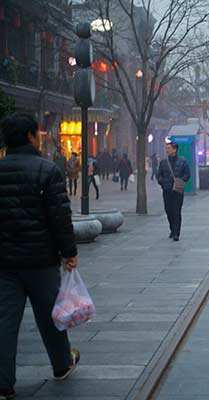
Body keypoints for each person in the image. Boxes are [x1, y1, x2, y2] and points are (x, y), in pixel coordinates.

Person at [0, 113, 81, 400]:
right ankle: (61, 365)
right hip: (41, 261)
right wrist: (69, 253)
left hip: (5, 264)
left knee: (5, 321)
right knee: (51, 317)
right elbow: (60, 217)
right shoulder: (47, 170)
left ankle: (3, 382)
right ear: (32, 137)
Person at [157, 142, 191, 241]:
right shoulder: (163, 162)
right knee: (168, 210)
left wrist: (180, 181)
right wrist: (162, 183)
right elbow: (159, 175)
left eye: (168, 148)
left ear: (175, 149)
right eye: (166, 148)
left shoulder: (182, 161)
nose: (167, 150)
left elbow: (187, 174)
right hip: (167, 190)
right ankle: (172, 229)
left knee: (176, 211)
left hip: (177, 191)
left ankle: (176, 233)